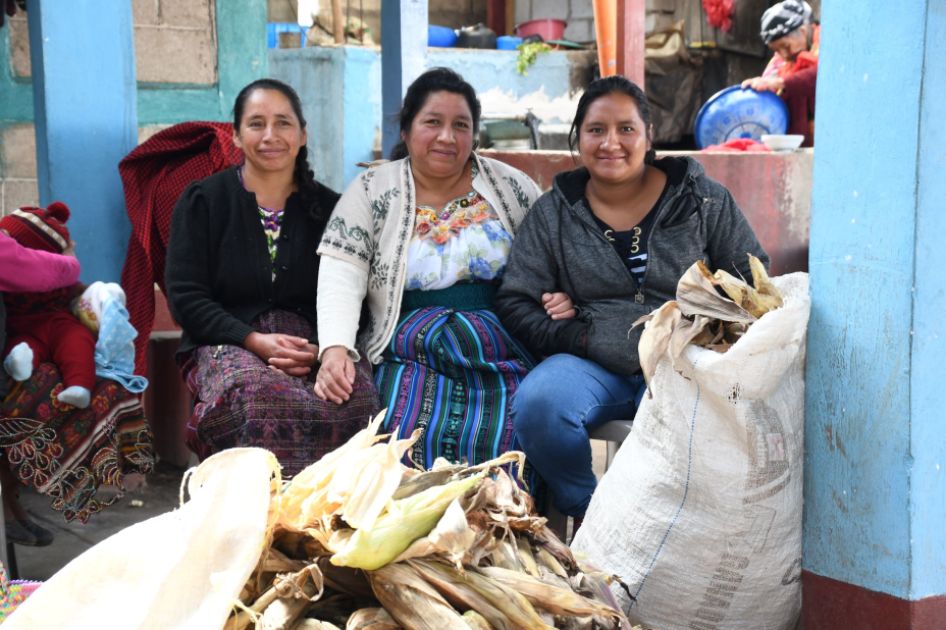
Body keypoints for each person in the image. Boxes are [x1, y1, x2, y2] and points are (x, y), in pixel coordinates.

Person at [494, 75, 769, 522]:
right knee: (540, 405)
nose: (611, 143)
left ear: (649, 136)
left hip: (685, 363)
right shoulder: (554, 212)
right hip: (594, 364)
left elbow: (752, 279)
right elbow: (516, 300)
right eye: (596, 130)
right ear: (578, 137)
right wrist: (577, 336)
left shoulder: (702, 200)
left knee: (678, 436)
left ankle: (656, 529)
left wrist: (702, 326)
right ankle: (591, 515)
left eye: (626, 129)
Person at [314, 67, 568, 470]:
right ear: (406, 130)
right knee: (405, 430)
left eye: (460, 125)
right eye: (433, 122)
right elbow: (342, 271)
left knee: (513, 427)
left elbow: (552, 258)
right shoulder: (372, 190)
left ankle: (503, 528)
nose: (447, 137)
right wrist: (335, 349)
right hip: (410, 346)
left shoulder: (512, 187)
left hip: (502, 344)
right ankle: (418, 531)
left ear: (475, 135)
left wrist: (558, 296)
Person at [165, 78, 379, 475]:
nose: (270, 136)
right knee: (258, 399)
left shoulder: (336, 209)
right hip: (228, 339)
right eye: (256, 124)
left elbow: (359, 295)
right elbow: (186, 298)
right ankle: (258, 523)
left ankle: (330, 525)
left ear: (302, 134)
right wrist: (255, 342)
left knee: (358, 399)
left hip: (314, 343)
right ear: (235, 135)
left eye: (283, 123)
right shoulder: (203, 202)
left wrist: (327, 348)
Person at [2, 202, 96, 409]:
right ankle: (19, 362)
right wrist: (70, 261)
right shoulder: (26, 266)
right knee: (21, 347)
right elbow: (26, 265)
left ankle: (79, 386)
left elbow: (78, 292)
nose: (4, 233)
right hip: (22, 328)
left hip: (56, 323)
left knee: (77, 341)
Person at [741, 0, 819, 147]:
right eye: (776, 50)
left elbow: (820, 77)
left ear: (803, 31)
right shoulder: (779, 62)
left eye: (785, 46)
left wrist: (780, 82)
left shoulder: (829, 44)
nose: (783, 54)